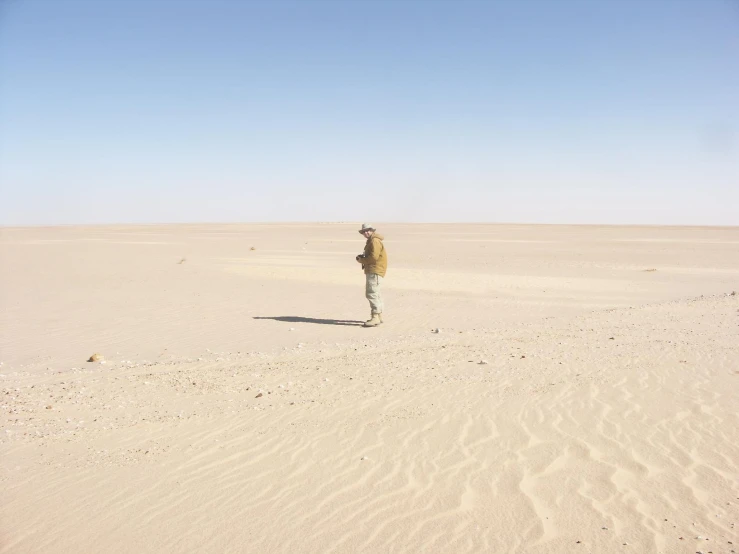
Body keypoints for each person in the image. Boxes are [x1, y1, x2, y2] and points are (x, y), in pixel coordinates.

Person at [355, 223, 387, 327]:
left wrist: (362, 260)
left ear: (372, 230)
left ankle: (375, 317)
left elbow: (374, 257)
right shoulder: (372, 241)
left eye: (368, 230)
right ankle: (378, 316)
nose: (366, 233)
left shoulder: (374, 241)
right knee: (376, 293)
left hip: (375, 269)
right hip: (374, 269)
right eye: (364, 231)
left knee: (371, 293)